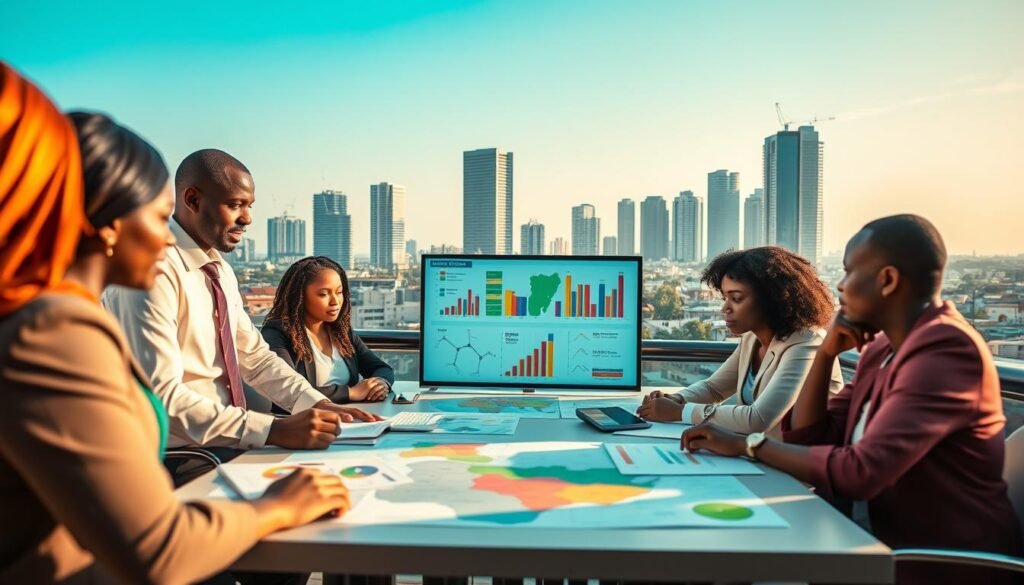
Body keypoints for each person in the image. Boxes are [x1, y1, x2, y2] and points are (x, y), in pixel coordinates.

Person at [0, 65, 349, 584]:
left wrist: (317, 405)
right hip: (186, 463)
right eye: (158, 215)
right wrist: (276, 502)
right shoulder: (52, 332)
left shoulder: (211, 272)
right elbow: (156, 551)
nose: (166, 239)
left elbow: (250, 354)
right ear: (111, 227)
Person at [681, 215, 1023, 584]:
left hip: (934, 562)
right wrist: (826, 353)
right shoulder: (881, 348)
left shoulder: (945, 351)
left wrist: (748, 445)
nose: (840, 286)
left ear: (887, 280)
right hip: (861, 535)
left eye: (849, 272)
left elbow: (861, 472)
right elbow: (809, 437)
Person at [102, 148, 381, 482]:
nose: (247, 219)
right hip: (175, 458)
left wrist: (318, 405)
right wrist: (272, 429)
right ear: (192, 200)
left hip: (225, 446)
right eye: (235, 205)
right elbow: (163, 397)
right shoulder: (152, 272)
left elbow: (256, 358)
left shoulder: (218, 270)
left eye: (249, 206)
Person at [638, 247, 844, 435]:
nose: (725, 308)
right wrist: (676, 399)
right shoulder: (752, 338)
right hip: (760, 456)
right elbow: (714, 388)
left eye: (736, 299)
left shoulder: (806, 342)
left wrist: (680, 411)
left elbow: (758, 419)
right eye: (724, 298)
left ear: (773, 299)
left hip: (804, 464)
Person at [262, 256, 394, 404]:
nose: (335, 301)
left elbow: (381, 368)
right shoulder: (277, 334)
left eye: (339, 292)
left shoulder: (341, 332)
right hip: (302, 422)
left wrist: (380, 384)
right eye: (324, 294)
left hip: (350, 418)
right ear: (299, 297)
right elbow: (286, 391)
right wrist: (351, 393)